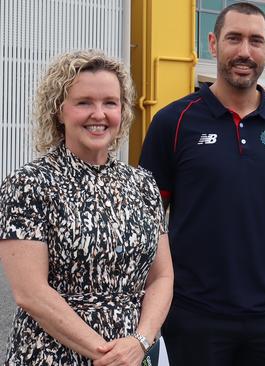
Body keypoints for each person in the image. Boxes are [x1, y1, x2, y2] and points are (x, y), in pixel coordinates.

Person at [138, 2, 265, 365]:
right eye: (234, 39)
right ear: (213, 44)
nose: (244, 51)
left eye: (255, 41)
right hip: (195, 313)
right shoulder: (174, 121)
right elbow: (151, 223)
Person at [0, 50, 173, 365]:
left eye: (110, 102)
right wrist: (106, 354)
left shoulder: (143, 184)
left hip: (134, 353)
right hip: (52, 354)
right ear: (59, 110)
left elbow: (162, 277)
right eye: (84, 103)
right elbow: (31, 293)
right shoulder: (29, 184)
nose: (99, 114)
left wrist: (141, 341)